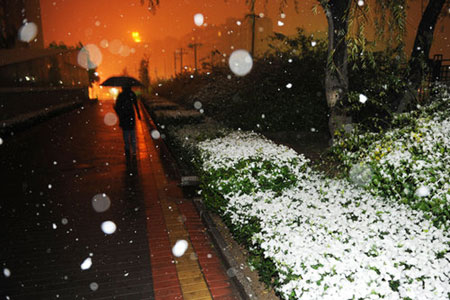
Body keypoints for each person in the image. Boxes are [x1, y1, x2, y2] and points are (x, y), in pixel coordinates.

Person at [114, 86, 141, 157]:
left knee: (126, 133)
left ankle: (127, 149)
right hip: (131, 115)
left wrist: (117, 110)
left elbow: (117, 107)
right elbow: (136, 105)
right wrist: (138, 114)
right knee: (132, 133)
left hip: (124, 117)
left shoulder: (121, 95)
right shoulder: (132, 94)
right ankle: (134, 150)